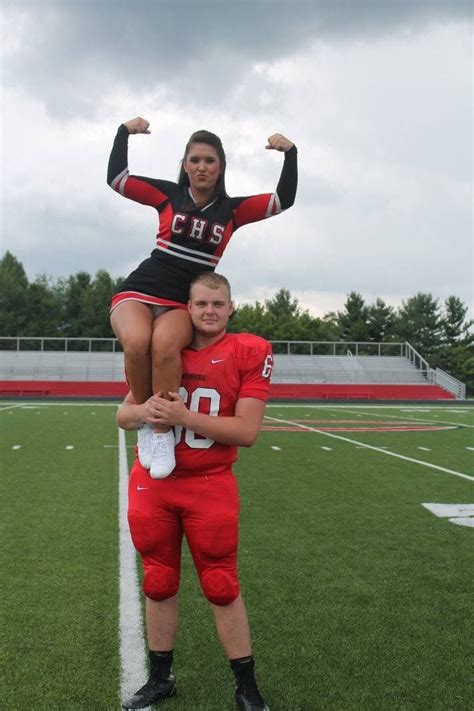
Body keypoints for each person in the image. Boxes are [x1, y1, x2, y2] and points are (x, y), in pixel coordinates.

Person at [117, 272, 273, 711]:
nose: (209, 311)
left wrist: (183, 417)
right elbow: (122, 416)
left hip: (210, 482)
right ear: (187, 307)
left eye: (217, 304)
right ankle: (160, 678)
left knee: (222, 584)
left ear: (231, 308)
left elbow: (246, 431)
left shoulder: (249, 350)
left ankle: (246, 686)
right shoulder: (166, 350)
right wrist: (144, 412)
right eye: (201, 303)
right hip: (155, 485)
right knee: (159, 580)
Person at [108, 117, 296, 477]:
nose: (201, 167)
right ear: (184, 165)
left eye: (209, 160)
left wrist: (290, 154)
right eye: (194, 160)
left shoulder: (233, 211)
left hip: (181, 300)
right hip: (140, 288)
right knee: (136, 342)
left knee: (164, 345)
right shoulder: (168, 195)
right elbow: (118, 179)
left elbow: (281, 200)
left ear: (220, 167)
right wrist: (123, 132)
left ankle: (161, 432)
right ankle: (149, 423)